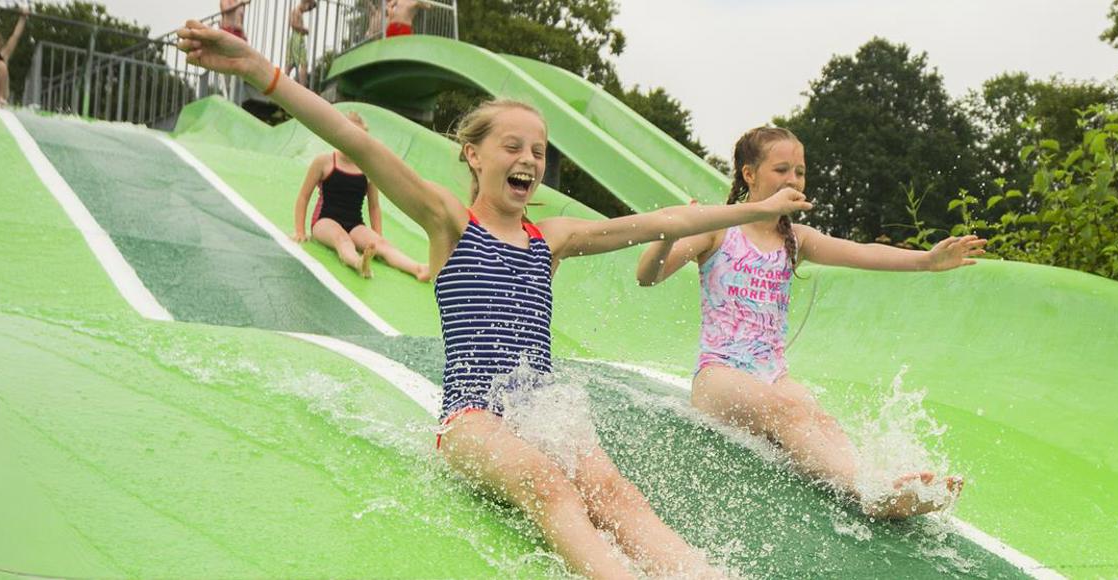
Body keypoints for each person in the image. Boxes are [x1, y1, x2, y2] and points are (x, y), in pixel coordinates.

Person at [177, 20, 811, 578]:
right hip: (473, 418)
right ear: (473, 156)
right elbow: (362, 143)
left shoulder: (551, 237)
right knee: (553, 487)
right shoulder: (451, 223)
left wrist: (755, 208)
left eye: (538, 151)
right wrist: (262, 72)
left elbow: (656, 222)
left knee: (616, 494)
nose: (528, 160)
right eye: (512, 147)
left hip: (542, 407)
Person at [635, 126, 987, 519]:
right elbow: (648, 275)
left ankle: (884, 483)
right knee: (787, 413)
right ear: (749, 174)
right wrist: (669, 233)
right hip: (720, 375)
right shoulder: (718, 230)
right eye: (781, 169)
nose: (793, 180)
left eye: (799, 172)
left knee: (820, 419)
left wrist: (925, 261)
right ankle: (867, 493)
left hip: (772, 373)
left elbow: (861, 252)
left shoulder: (795, 240)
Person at [291, 111, 428, 280]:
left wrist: (378, 236)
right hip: (325, 221)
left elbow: (374, 207)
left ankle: (418, 269)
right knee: (342, 239)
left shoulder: (368, 169)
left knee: (382, 245)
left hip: (355, 224)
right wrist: (300, 230)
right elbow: (304, 196)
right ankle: (358, 263)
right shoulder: (324, 162)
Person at [283, 0, 317, 84]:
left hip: (294, 38)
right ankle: (302, 86)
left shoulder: (298, 12)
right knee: (304, 63)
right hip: (297, 38)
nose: (308, 10)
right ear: (305, 3)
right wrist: (304, 30)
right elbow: (293, 24)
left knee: (290, 63)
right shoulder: (296, 11)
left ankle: (283, 82)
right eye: (309, 8)